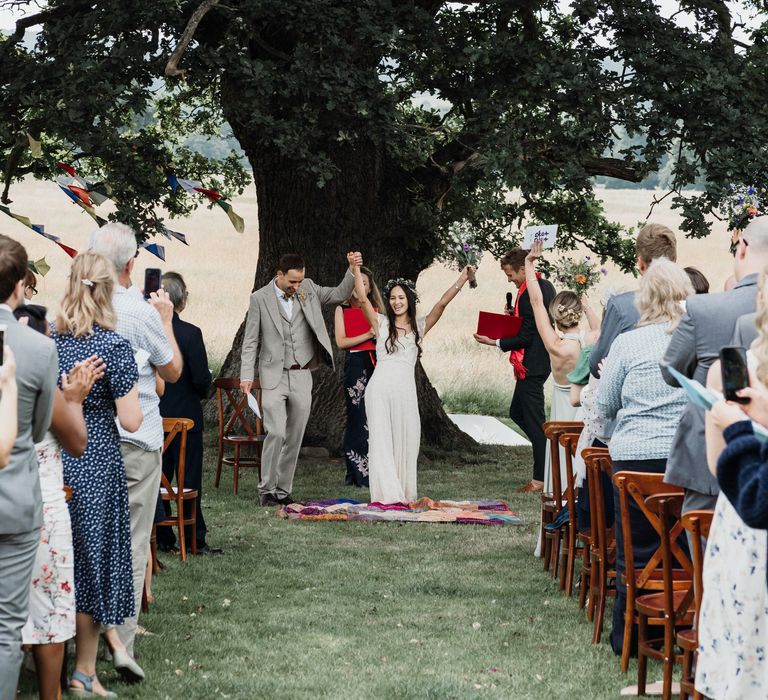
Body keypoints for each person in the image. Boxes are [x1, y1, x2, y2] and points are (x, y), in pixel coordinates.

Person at [89, 222, 181, 681]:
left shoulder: (73, 311)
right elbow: (174, 369)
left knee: (85, 540)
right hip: (136, 436)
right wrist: (165, 319)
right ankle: (120, 642)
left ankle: (74, 639)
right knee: (131, 540)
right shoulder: (136, 312)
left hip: (82, 438)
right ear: (131, 264)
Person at [51, 252, 143, 697]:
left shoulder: (48, 341)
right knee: (92, 562)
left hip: (54, 460)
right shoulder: (112, 347)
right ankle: (84, 671)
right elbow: (131, 420)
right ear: (107, 292)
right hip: (96, 461)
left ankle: (47, 659)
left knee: (58, 557)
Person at [596, 258, 692, 655]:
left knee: (633, 547)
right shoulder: (694, 340)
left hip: (634, 461)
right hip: (684, 459)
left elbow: (605, 402)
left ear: (645, 298)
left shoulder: (628, 343)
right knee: (684, 548)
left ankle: (629, 637)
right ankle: (684, 627)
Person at [15, 303, 103, 700]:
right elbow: (77, 442)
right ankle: (51, 695)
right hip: (41, 511)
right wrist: (75, 399)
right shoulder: (44, 387)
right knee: (47, 612)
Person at [662, 216, 768, 515]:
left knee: (706, 549)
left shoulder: (703, 308)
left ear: (743, 248)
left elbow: (670, 372)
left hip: (713, 456)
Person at [240, 251, 362, 506]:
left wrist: (351, 269)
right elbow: (250, 341)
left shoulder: (308, 288)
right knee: (276, 432)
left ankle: (283, 491)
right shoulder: (259, 298)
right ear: (280, 275)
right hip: (273, 374)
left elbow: (339, 294)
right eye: (292, 282)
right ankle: (266, 489)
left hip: (302, 374)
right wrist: (246, 376)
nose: (297, 286)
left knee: (294, 435)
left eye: (300, 281)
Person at [698, 275, 768, 699]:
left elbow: (715, 464)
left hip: (748, 527)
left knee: (741, 662)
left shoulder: (731, 369)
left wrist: (737, 425)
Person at [358, 264, 474, 504]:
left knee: (407, 440)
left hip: (405, 393)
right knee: (381, 441)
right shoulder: (380, 323)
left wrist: (462, 279)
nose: (396, 302)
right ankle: (386, 495)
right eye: (392, 298)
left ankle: (403, 491)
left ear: (409, 300)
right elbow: (361, 298)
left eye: (401, 297)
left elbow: (441, 304)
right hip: (379, 390)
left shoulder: (419, 328)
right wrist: (353, 269)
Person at [0, 235, 58, 700]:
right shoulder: (38, 350)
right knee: (5, 626)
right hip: (14, 501)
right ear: (21, 286)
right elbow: (39, 431)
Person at [473, 247, 556, 493]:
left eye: (510, 274)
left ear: (523, 268)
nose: (509, 279)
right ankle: (544, 453)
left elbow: (528, 335)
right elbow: (529, 324)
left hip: (533, 362)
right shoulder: (544, 285)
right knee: (516, 412)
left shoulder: (530, 291)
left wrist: (495, 341)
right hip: (536, 361)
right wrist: (514, 318)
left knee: (534, 421)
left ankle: (541, 477)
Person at [524, 242, 600, 499]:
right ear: (577, 312)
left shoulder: (555, 345)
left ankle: (558, 496)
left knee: (560, 452)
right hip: (585, 406)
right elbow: (600, 329)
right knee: (582, 453)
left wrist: (529, 263)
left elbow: (535, 302)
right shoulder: (590, 340)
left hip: (561, 406)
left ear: (555, 316)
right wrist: (587, 304)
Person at [157, 272, 218, 555]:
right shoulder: (191, 334)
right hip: (186, 418)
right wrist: (202, 393)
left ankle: (163, 537)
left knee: (159, 478)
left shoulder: (148, 330)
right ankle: (194, 539)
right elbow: (201, 381)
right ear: (182, 301)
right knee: (189, 480)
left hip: (154, 417)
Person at [590, 223, 678, 379]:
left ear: (640, 263)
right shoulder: (693, 303)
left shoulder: (620, 307)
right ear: (674, 260)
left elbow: (597, 364)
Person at [333, 266, 384, 487]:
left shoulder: (377, 310)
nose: (359, 286)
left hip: (377, 363)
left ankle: (376, 470)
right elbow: (341, 342)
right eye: (356, 282)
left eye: (364, 282)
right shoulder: (342, 309)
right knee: (357, 416)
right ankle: (356, 472)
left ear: (370, 287)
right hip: (355, 364)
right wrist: (367, 334)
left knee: (375, 416)